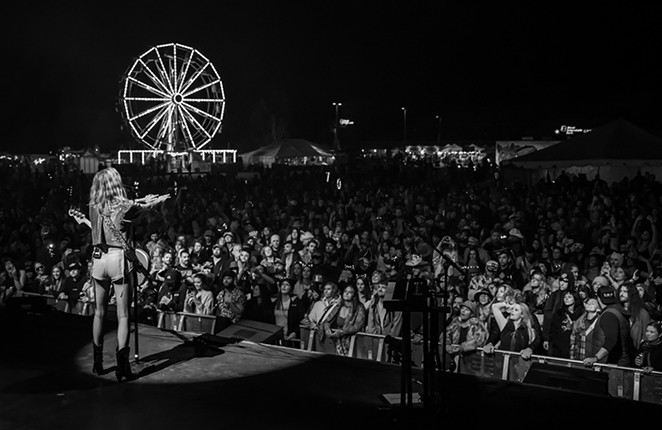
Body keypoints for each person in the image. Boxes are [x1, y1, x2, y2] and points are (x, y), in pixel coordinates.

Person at [88, 167, 169, 382]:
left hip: (98, 260)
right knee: (123, 315)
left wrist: (142, 198)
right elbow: (140, 209)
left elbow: (129, 204)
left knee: (99, 312)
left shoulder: (93, 206)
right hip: (117, 260)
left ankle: (97, 362)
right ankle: (122, 365)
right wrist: (156, 200)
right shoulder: (124, 208)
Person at [583, 286, 635, 368]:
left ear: (599, 299)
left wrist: (596, 358)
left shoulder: (609, 315)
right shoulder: (618, 311)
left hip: (612, 364)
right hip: (617, 362)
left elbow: (611, 340)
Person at [320, 283, 367, 356]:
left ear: (354, 295)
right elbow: (327, 320)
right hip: (337, 342)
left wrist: (342, 332)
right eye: (345, 291)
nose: (347, 293)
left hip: (353, 343)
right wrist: (327, 329)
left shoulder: (359, 307)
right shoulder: (338, 305)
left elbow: (358, 325)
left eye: (350, 292)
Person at [444, 300, 488, 371]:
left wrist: (462, 347)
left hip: (471, 360)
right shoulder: (456, 321)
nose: (463, 311)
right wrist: (447, 345)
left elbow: (479, 340)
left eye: (466, 309)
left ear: (472, 314)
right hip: (455, 358)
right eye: (462, 308)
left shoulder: (477, 324)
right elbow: (445, 333)